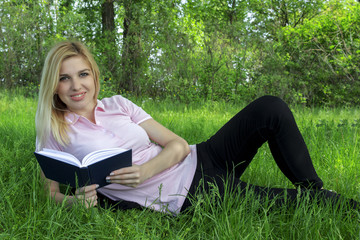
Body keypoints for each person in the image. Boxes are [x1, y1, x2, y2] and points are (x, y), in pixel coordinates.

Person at [35, 40, 358, 215]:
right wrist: (75, 203)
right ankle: (324, 201)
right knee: (302, 204)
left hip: (200, 157)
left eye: (83, 74)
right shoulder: (53, 130)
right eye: (64, 78)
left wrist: (145, 171)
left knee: (270, 107)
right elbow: (51, 194)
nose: (76, 86)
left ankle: (314, 186)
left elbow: (176, 144)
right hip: (188, 194)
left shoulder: (118, 104)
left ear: (93, 76)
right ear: (53, 85)